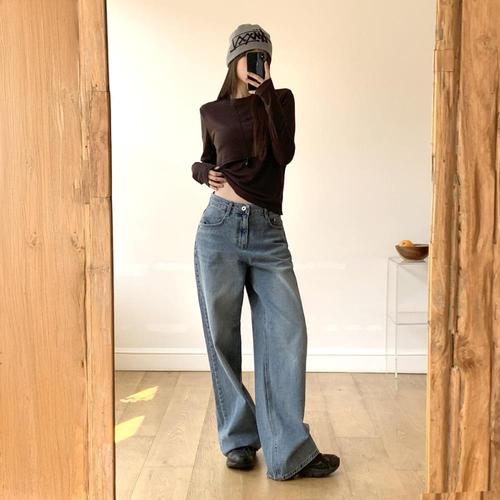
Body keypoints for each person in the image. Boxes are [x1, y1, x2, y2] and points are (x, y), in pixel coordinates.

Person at [192, 23, 340, 481]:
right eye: (250, 55)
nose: (258, 62)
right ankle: (238, 440)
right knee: (222, 336)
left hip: (268, 233)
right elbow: (207, 158)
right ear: (232, 60)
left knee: (287, 332)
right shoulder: (211, 111)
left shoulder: (281, 100)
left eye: (264, 55)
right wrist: (199, 170)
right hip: (218, 228)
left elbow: (284, 151)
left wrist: (267, 93)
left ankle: (288, 451)